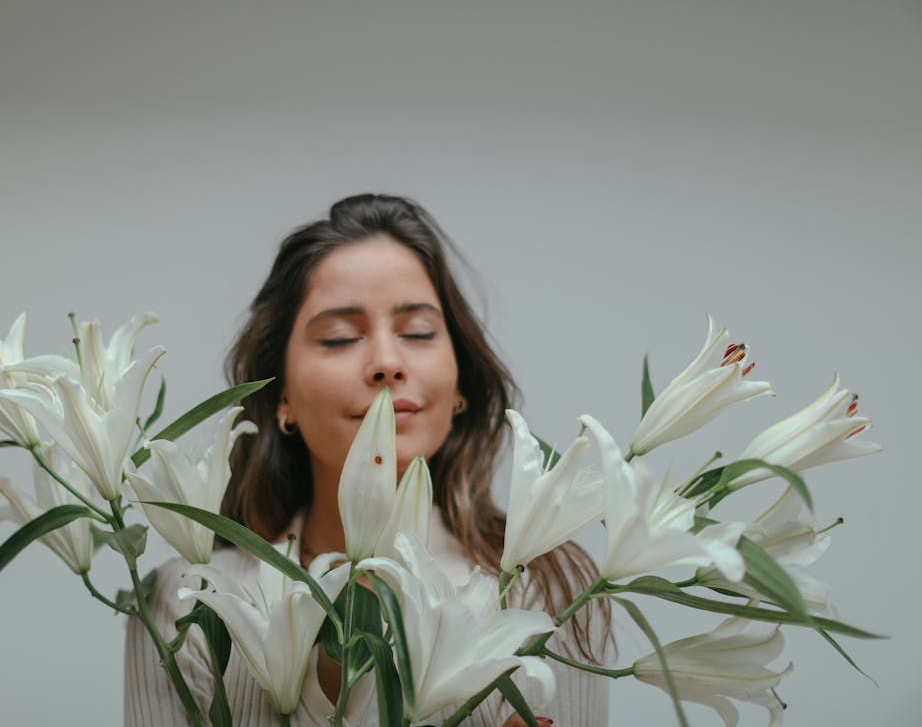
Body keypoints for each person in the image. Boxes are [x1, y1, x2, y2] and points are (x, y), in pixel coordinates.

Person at [125, 194, 609, 726]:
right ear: (281, 394)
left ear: (459, 387)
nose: (386, 363)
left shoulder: (547, 590)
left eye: (418, 332)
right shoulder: (190, 599)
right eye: (340, 338)